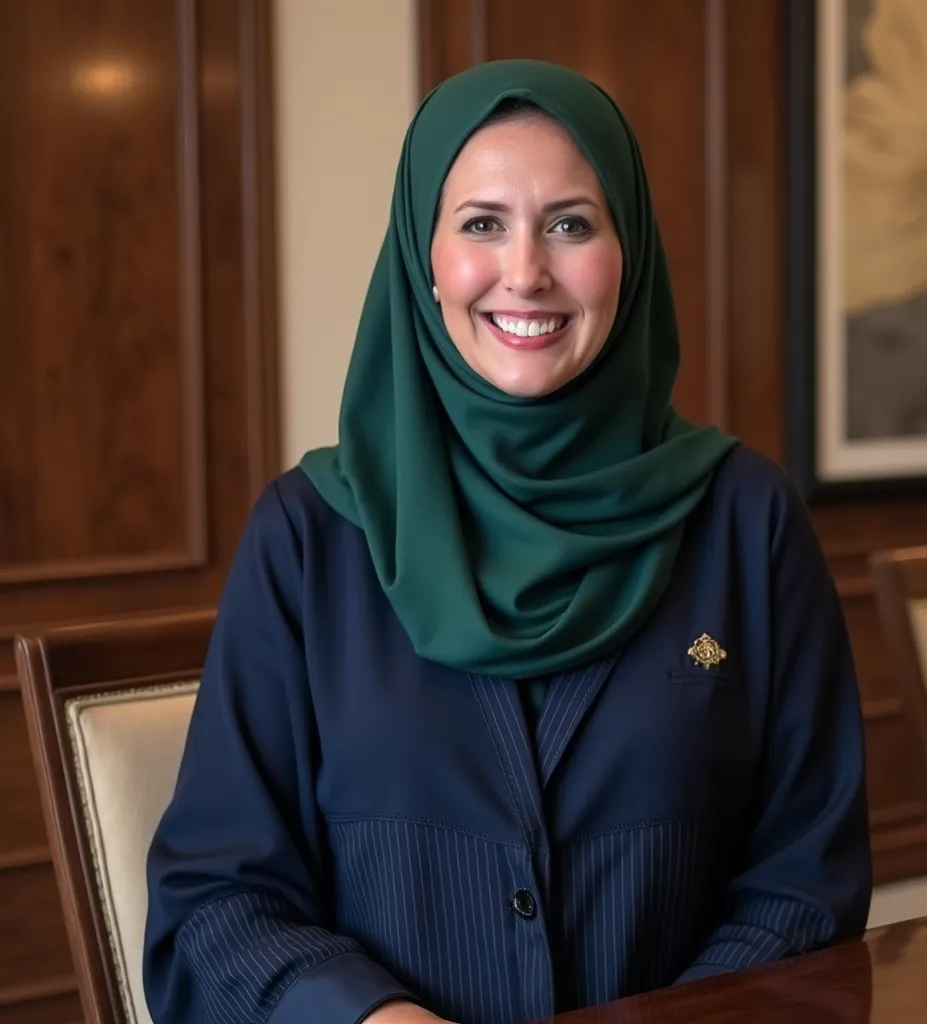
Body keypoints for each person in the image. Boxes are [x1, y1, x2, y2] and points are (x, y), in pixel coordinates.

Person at [143, 59, 871, 1024]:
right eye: (481, 224)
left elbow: (805, 879)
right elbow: (216, 900)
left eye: (571, 223)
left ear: (631, 252)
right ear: (422, 257)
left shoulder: (747, 520)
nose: (525, 270)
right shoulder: (308, 538)